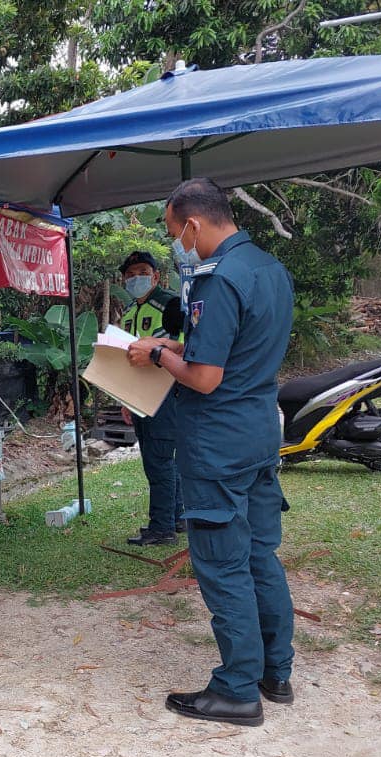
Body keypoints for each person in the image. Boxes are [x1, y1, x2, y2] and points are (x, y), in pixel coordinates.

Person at [126, 178, 295, 727]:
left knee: (222, 565)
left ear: (193, 225)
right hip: (259, 433)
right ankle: (276, 670)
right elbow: (235, 348)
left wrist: (157, 357)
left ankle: (237, 688)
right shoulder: (271, 270)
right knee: (258, 555)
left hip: (218, 443)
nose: (177, 245)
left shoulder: (215, 281)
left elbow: (203, 378)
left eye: (175, 233)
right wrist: (176, 345)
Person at [116, 251, 184, 546]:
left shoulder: (170, 304)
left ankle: (162, 528)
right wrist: (125, 399)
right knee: (159, 460)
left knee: (159, 462)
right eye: (129, 275)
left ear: (156, 276)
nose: (135, 279)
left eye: (142, 272)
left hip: (166, 393)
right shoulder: (130, 312)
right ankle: (177, 517)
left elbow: (185, 344)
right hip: (139, 394)